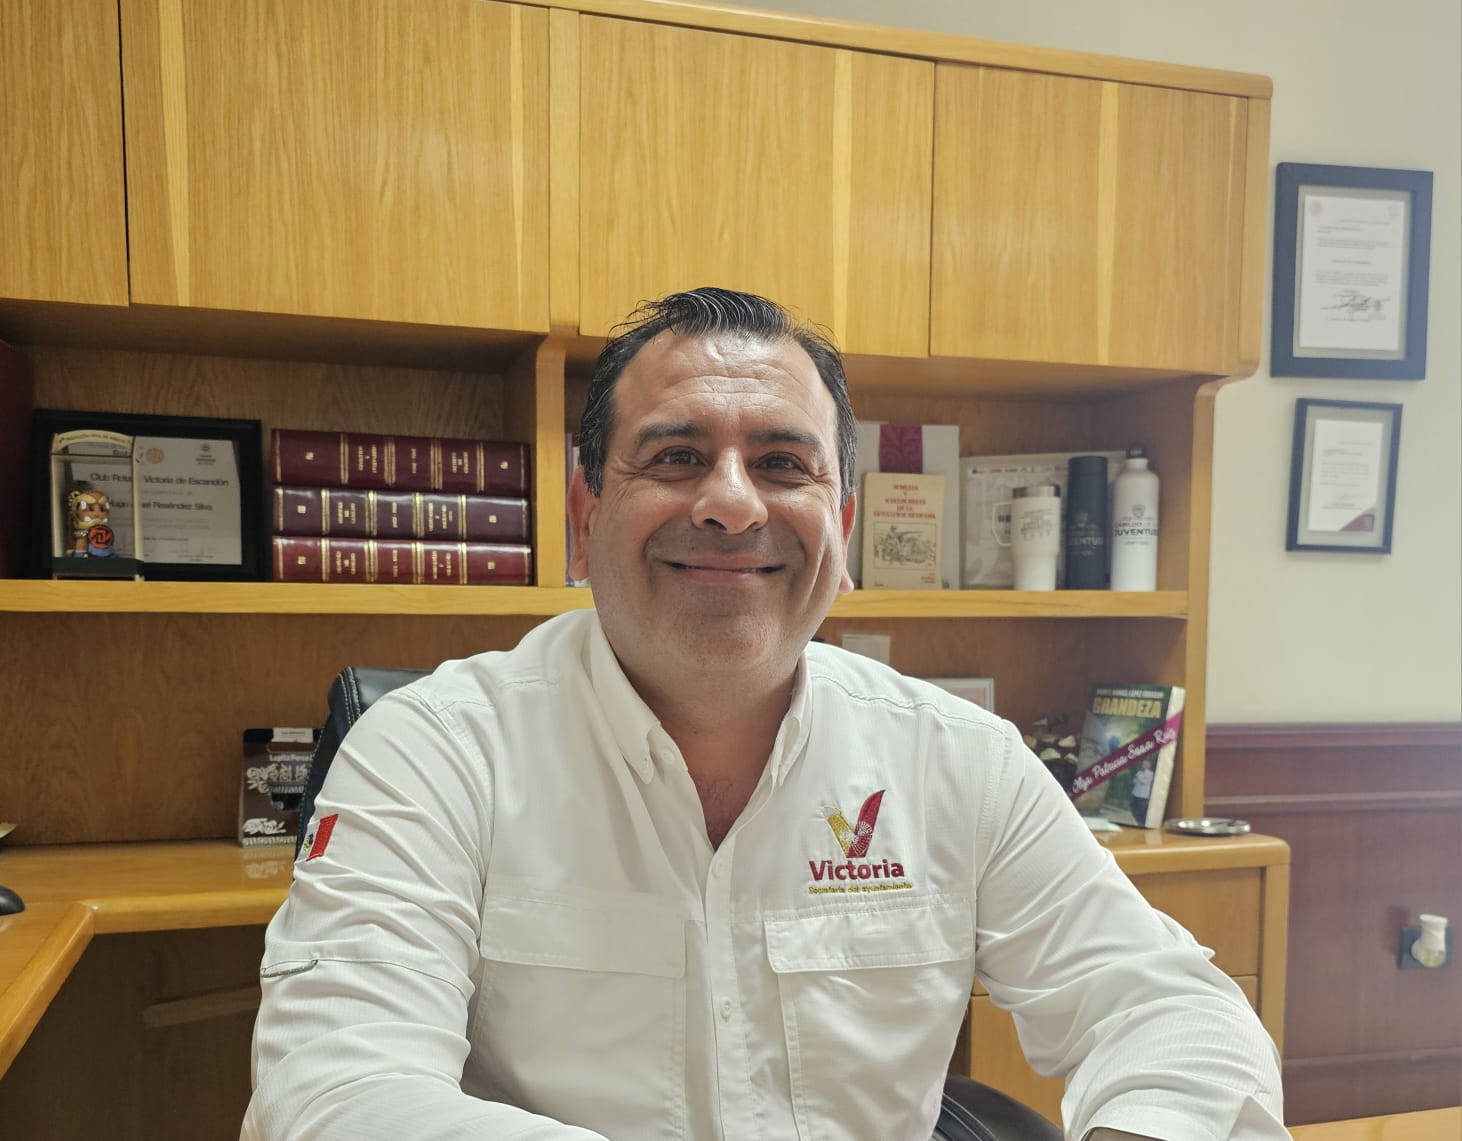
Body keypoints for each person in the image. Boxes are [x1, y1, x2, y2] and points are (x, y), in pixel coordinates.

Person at [244, 287, 1285, 1140]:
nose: (733, 504)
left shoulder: (957, 759)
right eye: (675, 456)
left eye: (783, 463)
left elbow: (1170, 1008)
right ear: (584, 515)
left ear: (842, 524)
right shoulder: (432, 750)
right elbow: (336, 1094)